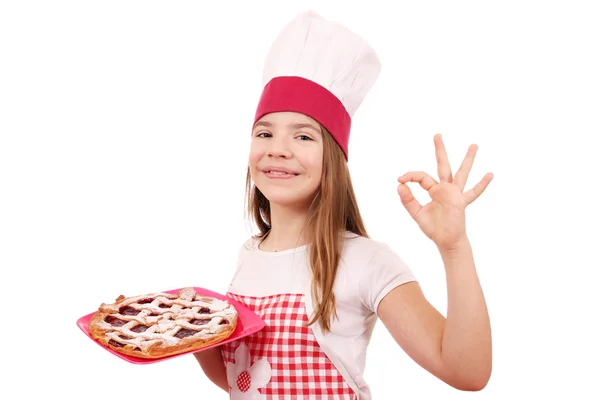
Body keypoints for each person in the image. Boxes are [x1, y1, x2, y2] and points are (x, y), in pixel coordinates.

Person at [194, 10, 493, 399]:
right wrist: (194, 334)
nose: (278, 150)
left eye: (303, 137)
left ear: (333, 157)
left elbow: (467, 372)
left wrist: (454, 249)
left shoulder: (364, 261)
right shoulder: (248, 255)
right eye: (265, 132)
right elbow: (243, 379)